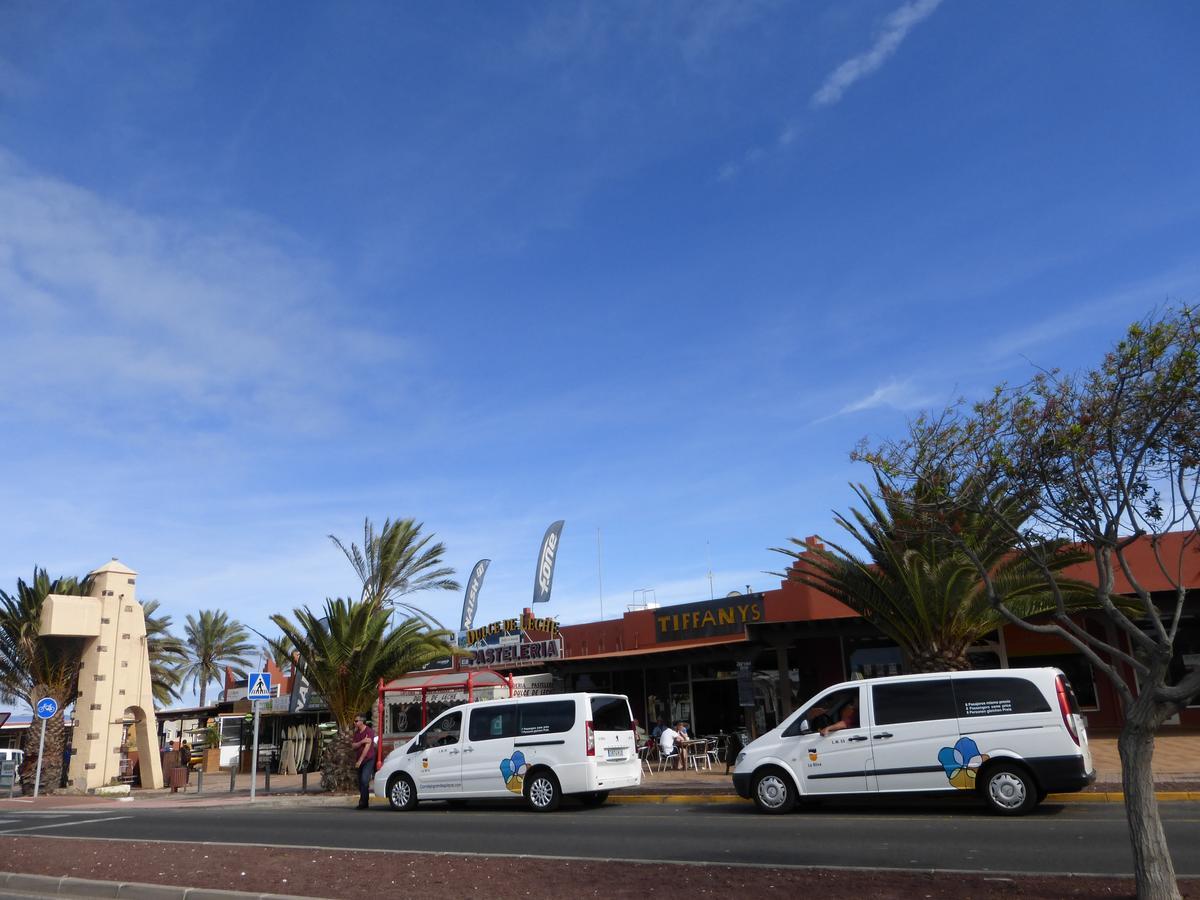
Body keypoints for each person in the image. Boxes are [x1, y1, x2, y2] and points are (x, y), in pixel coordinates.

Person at [351, 714, 377, 810]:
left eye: (356, 721)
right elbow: (353, 746)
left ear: (362, 721)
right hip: (359, 760)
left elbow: (367, 748)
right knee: (360, 782)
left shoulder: (369, 732)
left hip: (368, 759)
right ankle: (364, 802)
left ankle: (363, 802)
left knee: (364, 780)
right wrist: (361, 742)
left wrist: (360, 761)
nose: (355, 722)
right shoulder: (356, 733)